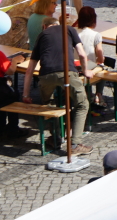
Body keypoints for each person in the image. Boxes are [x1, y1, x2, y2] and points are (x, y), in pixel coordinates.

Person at [23, 15, 91, 155]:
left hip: (45, 75)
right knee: (82, 104)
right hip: (67, 73)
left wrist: (26, 94)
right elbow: (82, 55)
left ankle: (55, 136)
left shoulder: (41, 36)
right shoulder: (69, 29)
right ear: (57, 23)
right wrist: (85, 71)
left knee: (48, 105)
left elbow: (30, 70)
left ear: (44, 27)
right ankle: (75, 143)